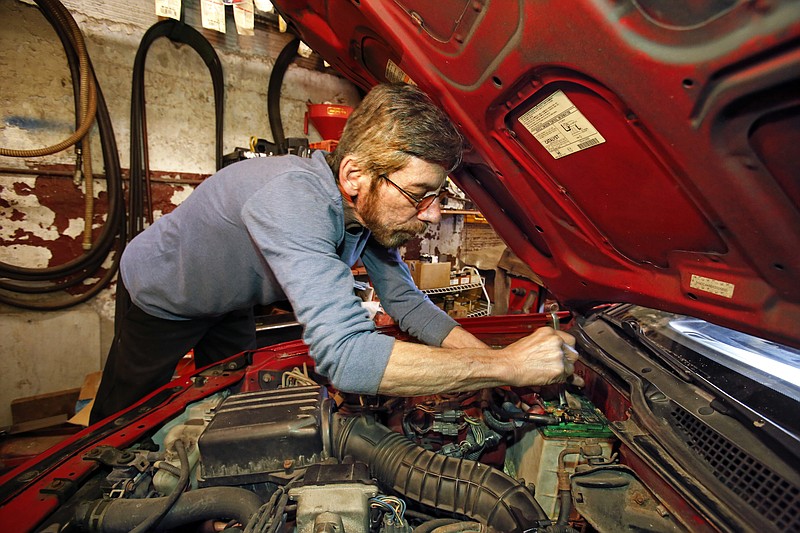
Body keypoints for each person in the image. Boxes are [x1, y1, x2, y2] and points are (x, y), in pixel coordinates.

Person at [90, 83, 576, 424]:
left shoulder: (364, 211)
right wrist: (506, 366)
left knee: (234, 401)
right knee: (127, 414)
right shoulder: (291, 199)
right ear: (354, 176)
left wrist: (495, 359)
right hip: (163, 293)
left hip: (230, 301)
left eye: (437, 197)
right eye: (419, 194)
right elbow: (347, 357)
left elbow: (407, 305)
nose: (430, 215)